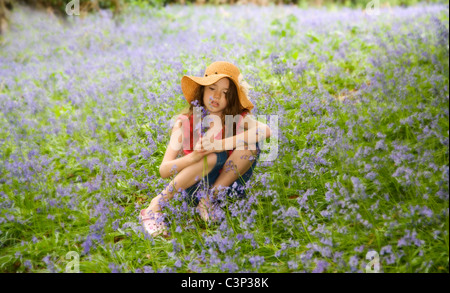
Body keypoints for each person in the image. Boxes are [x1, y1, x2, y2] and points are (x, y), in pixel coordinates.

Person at [139, 61, 271, 236]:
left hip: (228, 188)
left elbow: (266, 130)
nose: (216, 97)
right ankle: (155, 207)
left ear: (231, 99)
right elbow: (164, 170)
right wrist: (192, 158)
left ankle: (210, 199)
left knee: (249, 146)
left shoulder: (237, 118)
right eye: (212, 89)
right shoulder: (185, 122)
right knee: (211, 157)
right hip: (196, 185)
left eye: (225, 93)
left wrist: (220, 144)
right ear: (202, 90)